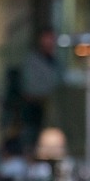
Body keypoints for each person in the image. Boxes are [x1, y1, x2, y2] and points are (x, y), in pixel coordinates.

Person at [19, 27, 62, 157]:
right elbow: (30, 88)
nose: (49, 43)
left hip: (52, 111)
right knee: (31, 144)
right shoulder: (32, 62)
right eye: (46, 39)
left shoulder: (56, 62)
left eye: (51, 39)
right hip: (34, 110)